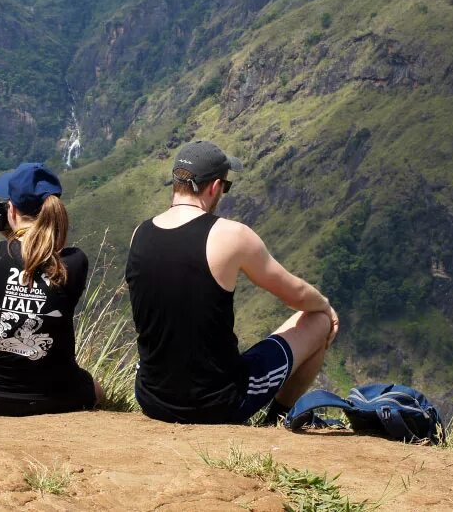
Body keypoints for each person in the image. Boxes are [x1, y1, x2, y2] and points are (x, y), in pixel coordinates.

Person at [125, 140, 338, 425]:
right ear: (214, 187)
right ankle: (277, 421)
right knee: (318, 320)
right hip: (218, 403)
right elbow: (296, 294)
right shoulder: (231, 235)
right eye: (225, 187)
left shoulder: (140, 233)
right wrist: (325, 305)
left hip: (152, 399)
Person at [0, 161, 101, 416]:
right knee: (97, 388)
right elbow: (33, 260)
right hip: (60, 398)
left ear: (12, 210)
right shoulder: (74, 263)